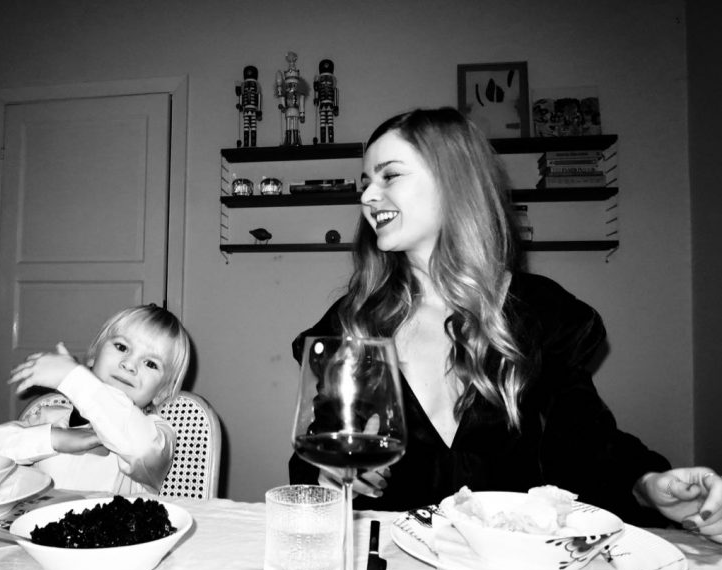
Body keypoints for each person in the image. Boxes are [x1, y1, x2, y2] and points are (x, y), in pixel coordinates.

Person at [289, 107, 722, 540]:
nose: (367, 195)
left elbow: (587, 443)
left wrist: (648, 484)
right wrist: (328, 477)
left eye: (390, 176)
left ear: (454, 180)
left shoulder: (541, 312)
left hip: (515, 566)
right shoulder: (354, 320)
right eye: (366, 182)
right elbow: (314, 457)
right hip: (395, 563)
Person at [0, 303, 190, 495]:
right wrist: (53, 439)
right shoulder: (50, 418)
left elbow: (140, 448)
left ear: (162, 392)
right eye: (121, 347)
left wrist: (73, 378)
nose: (129, 364)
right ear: (93, 357)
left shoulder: (157, 435)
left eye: (151, 364)